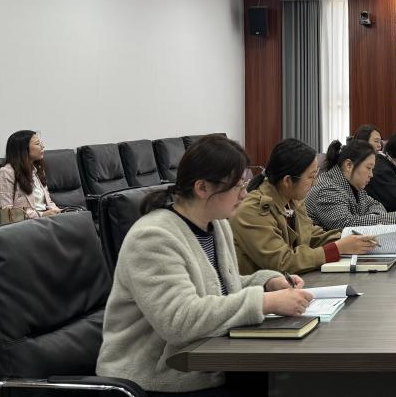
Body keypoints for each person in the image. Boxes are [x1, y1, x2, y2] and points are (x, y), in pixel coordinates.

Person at [98, 135, 314, 396]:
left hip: (210, 360)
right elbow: (179, 320)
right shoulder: (152, 237)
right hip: (161, 377)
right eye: (237, 186)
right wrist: (264, 302)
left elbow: (218, 288)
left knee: (297, 380)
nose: (245, 194)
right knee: (291, 384)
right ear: (202, 188)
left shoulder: (217, 223)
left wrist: (267, 283)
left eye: (244, 183)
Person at [231, 139, 378, 276]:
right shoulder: (252, 210)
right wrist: (338, 248)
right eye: (311, 177)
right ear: (287, 181)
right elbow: (283, 262)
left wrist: (353, 239)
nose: (315, 183)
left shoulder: (292, 200)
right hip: (263, 291)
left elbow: (312, 236)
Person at [307, 139, 396, 230]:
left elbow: (376, 205)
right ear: (349, 165)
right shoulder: (327, 189)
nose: (371, 174)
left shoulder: (352, 184)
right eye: (368, 168)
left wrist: (369, 219)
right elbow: (345, 225)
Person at [0, 130, 61, 219]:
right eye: (37, 144)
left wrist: (55, 210)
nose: (43, 146)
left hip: (46, 220)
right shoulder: (5, 174)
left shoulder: (37, 169)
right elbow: (6, 213)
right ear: (23, 149)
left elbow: (48, 202)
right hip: (26, 224)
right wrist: (41, 215)